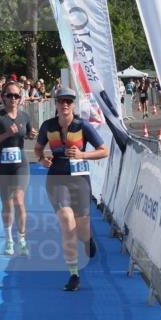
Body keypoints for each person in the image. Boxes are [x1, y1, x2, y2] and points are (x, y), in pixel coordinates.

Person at [34, 87, 109, 292]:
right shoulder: (48, 126)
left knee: (82, 229)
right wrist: (42, 160)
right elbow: (38, 149)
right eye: (61, 101)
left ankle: (89, 239)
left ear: (73, 104)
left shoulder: (83, 126)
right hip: (56, 179)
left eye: (68, 101)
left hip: (80, 180)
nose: (64, 104)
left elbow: (104, 151)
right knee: (67, 222)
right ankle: (74, 274)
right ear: (55, 104)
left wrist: (83, 155)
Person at [0, 81, 37, 256]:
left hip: (21, 165)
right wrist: (7, 134)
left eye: (16, 95)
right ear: (3, 97)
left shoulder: (24, 116)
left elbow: (28, 134)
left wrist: (31, 134)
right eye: (10, 95)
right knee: (7, 204)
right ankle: (8, 240)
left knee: (19, 201)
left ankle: (21, 239)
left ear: (20, 98)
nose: (13, 98)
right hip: (3, 166)